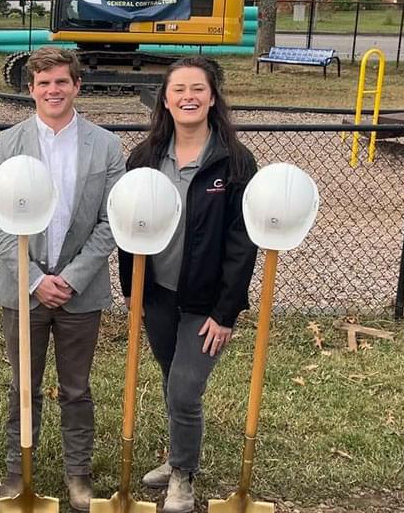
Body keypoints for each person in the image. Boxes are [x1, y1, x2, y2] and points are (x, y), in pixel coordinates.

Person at [0, 46, 125, 512]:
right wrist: (33, 280)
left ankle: (78, 473)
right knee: (22, 383)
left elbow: (111, 221)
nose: (53, 90)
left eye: (61, 82)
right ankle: (16, 468)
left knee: (76, 388)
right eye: (43, 83)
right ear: (31, 90)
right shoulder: (8, 144)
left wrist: (72, 277)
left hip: (79, 292)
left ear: (77, 86)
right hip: (23, 291)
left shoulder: (105, 145)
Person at [118, 56, 258, 513]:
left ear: (213, 97)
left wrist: (226, 312)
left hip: (206, 302)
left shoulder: (235, 161)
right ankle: (177, 454)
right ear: (165, 98)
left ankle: (183, 476)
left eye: (197, 88)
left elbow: (243, 243)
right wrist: (131, 290)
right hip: (157, 292)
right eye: (178, 89)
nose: (188, 97)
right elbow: (128, 224)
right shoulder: (145, 157)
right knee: (170, 377)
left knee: (184, 387)